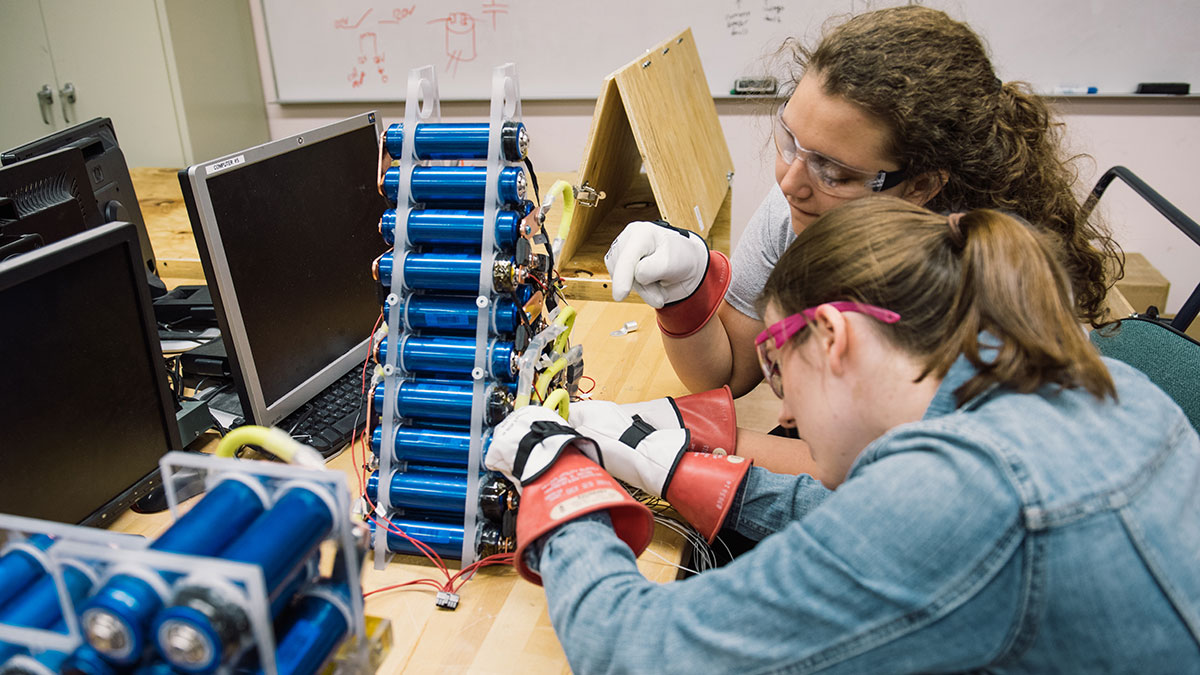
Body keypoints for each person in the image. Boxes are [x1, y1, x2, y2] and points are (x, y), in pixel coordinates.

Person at [485, 198, 1200, 673]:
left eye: (775, 365)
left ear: (830, 336)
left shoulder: (962, 494)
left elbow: (638, 652)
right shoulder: (1072, 377)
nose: (785, 406)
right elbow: (884, 527)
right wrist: (684, 468)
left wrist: (563, 480)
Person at [604, 5, 1119, 417]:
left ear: (921, 185)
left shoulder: (985, 280)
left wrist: (690, 453)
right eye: (790, 140)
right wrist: (687, 296)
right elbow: (732, 372)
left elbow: (877, 474)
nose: (790, 183)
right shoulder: (797, 209)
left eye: (834, 171)